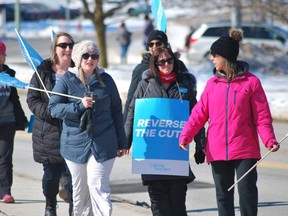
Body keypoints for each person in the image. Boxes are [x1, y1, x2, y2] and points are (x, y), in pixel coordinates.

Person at [179, 28, 280, 216]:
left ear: (226, 57)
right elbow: (198, 114)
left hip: (245, 149)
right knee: (223, 196)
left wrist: (269, 140)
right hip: (217, 148)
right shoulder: (211, 85)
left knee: (247, 193)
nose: (212, 59)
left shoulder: (252, 83)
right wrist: (186, 136)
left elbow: (262, 116)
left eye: (214, 55)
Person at [48, 40, 129, 216]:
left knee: (98, 185)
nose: (90, 59)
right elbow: (53, 108)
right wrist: (79, 106)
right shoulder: (67, 81)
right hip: (75, 144)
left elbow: (116, 110)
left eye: (94, 56)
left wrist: (122, 142)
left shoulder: (106, 80)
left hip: (103, 142)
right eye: (85, 55)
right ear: (78, 58)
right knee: (79, 193)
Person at [125, 47, 206, 216]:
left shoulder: (184, 85)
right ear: (155, 64)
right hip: (153, 155)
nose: (166, 64)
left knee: (177, 203)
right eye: (161, 61)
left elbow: (196, 116)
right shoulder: (145, 85)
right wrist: (126, 141)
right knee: (159, 204)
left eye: (169, 60)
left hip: (176, 154)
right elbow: (133, 112)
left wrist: (201, 144)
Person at [26, 32, 74, 216]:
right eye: (64, 45)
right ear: (55, 49)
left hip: (73, 132)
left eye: (71, 45)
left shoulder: (78, 72)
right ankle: (50, 205)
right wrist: (51, 112)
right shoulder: (42, 72)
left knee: (73, 178)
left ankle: (73, 210)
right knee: (51, 176)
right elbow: (32, 99)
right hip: (49, 131)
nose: (68, 49)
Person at [123, 30, 189, 123]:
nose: (154, 47)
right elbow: (131, 101)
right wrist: (125, 129)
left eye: (158, 43)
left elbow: (191, 96)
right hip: (151, 124)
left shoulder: (178, 65)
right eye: (151, 44)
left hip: (175, 125)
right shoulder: (141, 68)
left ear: (165, 45)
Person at [0, 40, 28, 203]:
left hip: (8, 121)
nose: (5, 56)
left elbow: (14, 98)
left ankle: (5, 192)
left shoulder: (9, 73)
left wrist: (21, 118)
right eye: (3, 54)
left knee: (5, 158)